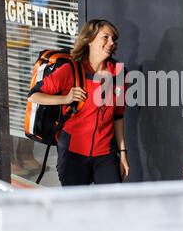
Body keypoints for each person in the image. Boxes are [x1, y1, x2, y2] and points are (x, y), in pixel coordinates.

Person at [28, 19, 129, 186]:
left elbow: (118, 116)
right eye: (105, 37)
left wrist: (123, 154)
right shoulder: (71, 70)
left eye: (113, 39)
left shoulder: (118, 73)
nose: (111, 43)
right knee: (76, 208)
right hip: (73, 153)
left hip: (105, 154)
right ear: (89, 40)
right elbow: (34, 95)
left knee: (113, 207)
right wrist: (65, 99)